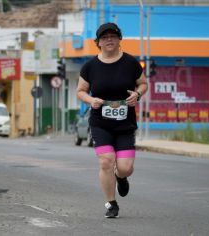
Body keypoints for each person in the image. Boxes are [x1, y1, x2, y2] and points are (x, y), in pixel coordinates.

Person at [76, 22, 148, 218]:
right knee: (106, 161)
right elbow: (80, 91)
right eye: (105, 37)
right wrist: (91, 100)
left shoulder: (130, 63)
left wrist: (137, 94)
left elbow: (143, 84)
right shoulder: (90, 66)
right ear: (98, 42)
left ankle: (120, 177)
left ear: (119, 40)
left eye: (113, 36)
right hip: (100, 123)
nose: (109, 40)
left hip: (125, 125)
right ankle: (111, 203)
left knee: (125, 167)